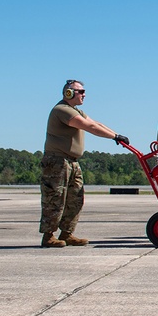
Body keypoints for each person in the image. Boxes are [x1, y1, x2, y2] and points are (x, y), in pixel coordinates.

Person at [40, 80, 129, 248]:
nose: (84, 95)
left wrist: (117, 135)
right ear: (69, 93)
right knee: (54, 199)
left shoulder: (76, 110)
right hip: (57, 161)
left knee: (76, 198)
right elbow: (88, 126)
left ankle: (67, 233)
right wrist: (114, 137)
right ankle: (48, 236)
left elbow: (96, 124)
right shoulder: (62, 110)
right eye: (80, 91)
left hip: (71, 161)